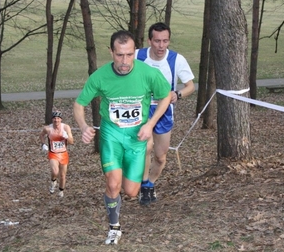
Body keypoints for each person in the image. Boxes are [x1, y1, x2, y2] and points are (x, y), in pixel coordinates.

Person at [73, 30, 171, 245]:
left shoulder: (148, 73)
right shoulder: (99, 76)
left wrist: (150, 124)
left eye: (129, 55)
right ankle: (114, 227)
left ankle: (126, 176)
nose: (125, 61)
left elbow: (167, 96)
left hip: (137, 138)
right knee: (113, 184)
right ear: (111, 52)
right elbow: (79, 104)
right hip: (112, 136)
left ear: (134, 51)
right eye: (119, 55)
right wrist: (83, 126)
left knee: (131, 191)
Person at [135, 22, 195, 205]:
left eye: (165, 41)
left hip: (164, 112)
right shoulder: (138, 55)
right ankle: (144, 185)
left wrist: (177, 94)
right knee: (146, 148)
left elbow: (190, 86)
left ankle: (150, 184)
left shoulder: (177, 59)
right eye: (157, 41)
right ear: (149, 40)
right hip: (142, 109)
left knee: (160, 157)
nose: (161, 46)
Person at [39, 111, 74, 198]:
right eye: (54, 118)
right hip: (53, 153)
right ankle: (53, 180)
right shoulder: (48, 129)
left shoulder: (66, 127)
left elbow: (72, 142)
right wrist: (43, 144)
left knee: (62, 175)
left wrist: (66, 137)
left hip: (63, 153)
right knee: (55, 171)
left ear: (61, 120)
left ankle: (61, 191)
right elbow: (41, 135)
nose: (56, 120)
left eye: (58, 118)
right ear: (52, 119)